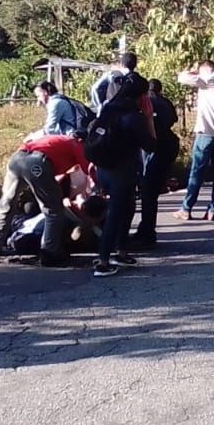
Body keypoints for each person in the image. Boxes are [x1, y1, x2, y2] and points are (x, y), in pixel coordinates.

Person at [0, 133, 91, 266]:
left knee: (6, 202)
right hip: (38, 163)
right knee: (53, 209)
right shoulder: (77, 144)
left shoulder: (59, 139)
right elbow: (90, 170)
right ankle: (50, 252)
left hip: (18, 158)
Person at [91, 63, 150, 278]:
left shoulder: (109, 107)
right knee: (117, 212)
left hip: (103, 167)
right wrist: (149, 116)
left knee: (126, 208)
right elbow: (150, 145)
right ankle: (103, 261)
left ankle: (121, 251)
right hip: (122, 169)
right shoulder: (134, 116)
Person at [175, 60, 214, 221]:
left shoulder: (210, 80)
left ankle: (186, 208)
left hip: (207, 133)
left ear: (206, 70)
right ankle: (212, 209)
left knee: (197, 171)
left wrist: (194, 72)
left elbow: (182, 78)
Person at [132, 79, 180, 247]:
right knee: (151, 192)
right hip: (169, 145)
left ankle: (147, 232)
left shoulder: (146, 103)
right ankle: (146, 230)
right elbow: (174, 119)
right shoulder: (165, 102)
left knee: (148, 193)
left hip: (154, 146)